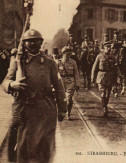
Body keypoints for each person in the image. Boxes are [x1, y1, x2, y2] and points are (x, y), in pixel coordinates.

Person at [2, 29, 67, 163]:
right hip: (24, 110)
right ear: (24, 43)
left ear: (40, 43)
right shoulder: (17, 61)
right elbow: (5, 82)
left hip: (45, 110)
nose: (32, 44)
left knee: (45, 148)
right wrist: (12, 84)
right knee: (23, 147)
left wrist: (62, 109)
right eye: (28, 41)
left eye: (35, 41)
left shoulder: (49, 63)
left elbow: (60, 88)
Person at [91, 41, 118, 117]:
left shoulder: (112, 57)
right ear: (104, 48)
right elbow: (94, 67)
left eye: (110, 47)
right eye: (107, 47)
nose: (108, 49)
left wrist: (118, 76)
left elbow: (116, 68)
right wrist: (92, 78)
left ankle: (105, 105)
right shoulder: (99, 56)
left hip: (110, 77)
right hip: (101, 77)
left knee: (108, 95)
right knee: (103, 93)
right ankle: (104, 108)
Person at [57, 46, 80, 120]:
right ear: (63, 53)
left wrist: (77, 84)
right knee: (60, 98)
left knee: (69, 99)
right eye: (66, 53)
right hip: (61, 82)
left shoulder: (73, 62)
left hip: (70, 82)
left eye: (69, 53)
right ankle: (60, 112)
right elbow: (54, 73)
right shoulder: (58, 62)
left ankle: (68, 114)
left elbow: (76, 73)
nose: (68, 55)